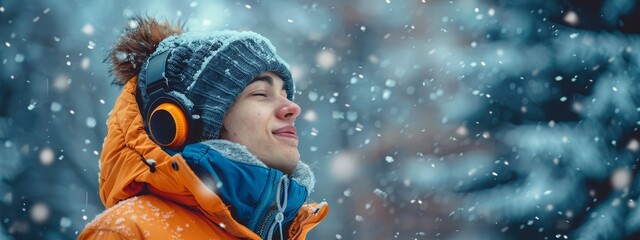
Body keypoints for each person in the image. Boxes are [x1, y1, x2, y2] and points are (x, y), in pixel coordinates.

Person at [78, 16, 328, 240]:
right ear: (181, 123)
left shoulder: (286, 231)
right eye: (261, 93)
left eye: (286, 94)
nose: (292, 108)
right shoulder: (128, 232)